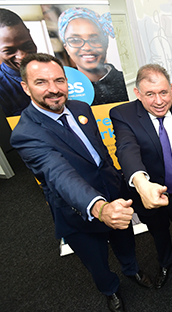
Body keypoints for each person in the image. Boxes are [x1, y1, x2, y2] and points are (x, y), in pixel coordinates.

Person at [10, 53, 152, 312]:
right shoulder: (26, 134)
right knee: (96, 261)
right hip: (77, 211)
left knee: (126, 241)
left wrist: (117, 179)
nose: (53, 89)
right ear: (25, 87)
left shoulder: (80, 108)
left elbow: (99, 151)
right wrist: (99, 208)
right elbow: (58, 173)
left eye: (59, 80)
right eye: (41, 82)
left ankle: (131, 270)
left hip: (114, 195)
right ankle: (110, 290)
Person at [110, 64, 172, 289]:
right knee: (158, 232)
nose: (159, 101)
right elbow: (126, 148)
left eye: (163, 92)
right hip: (149, 193)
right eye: (150, 94)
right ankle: (166, 262)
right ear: (138, 93)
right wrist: (141, 182)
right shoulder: (122, 114)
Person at [58, 7, 128, 105]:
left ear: (106, 43)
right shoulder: (63, 92)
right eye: (75, 40)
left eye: (94, 40)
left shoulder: (127, 82)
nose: (86, 47)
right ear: (66, 48)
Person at [0, 8, 37, 117]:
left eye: (27, 45)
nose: (22, 56)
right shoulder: (2, 89)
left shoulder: (55, 69)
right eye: (9, 51)